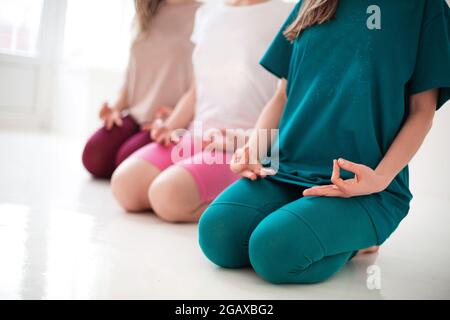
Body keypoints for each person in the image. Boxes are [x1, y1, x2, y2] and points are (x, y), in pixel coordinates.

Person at [199, 0, 450, 284]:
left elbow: (422, 112)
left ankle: (357, 240)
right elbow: (283, 94)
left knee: (274, 252)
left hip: (360, 188)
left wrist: (379, 179)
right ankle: (319, 226)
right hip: (284, 171)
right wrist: (255, 149)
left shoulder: (424, 7)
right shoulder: (311, 2)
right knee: (217, 235)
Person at [110, 0, 294, 222]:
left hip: (242, 147)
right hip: (197, 135)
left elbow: (285, 97)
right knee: (125, 186)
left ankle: (250, 204)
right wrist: (171, 126)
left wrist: (251, 145)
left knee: (166, 196)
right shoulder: (207, 12)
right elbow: (197, 89)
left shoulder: (288, 14)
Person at [82, 0, 200, 178]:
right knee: (93, 156)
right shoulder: (148, 10)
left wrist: (172, 123)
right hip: (136, 115)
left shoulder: (203, 15)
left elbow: (200, 86)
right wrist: (115, 109)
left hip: (169, 121)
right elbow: (132, 74)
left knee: (126, 161)